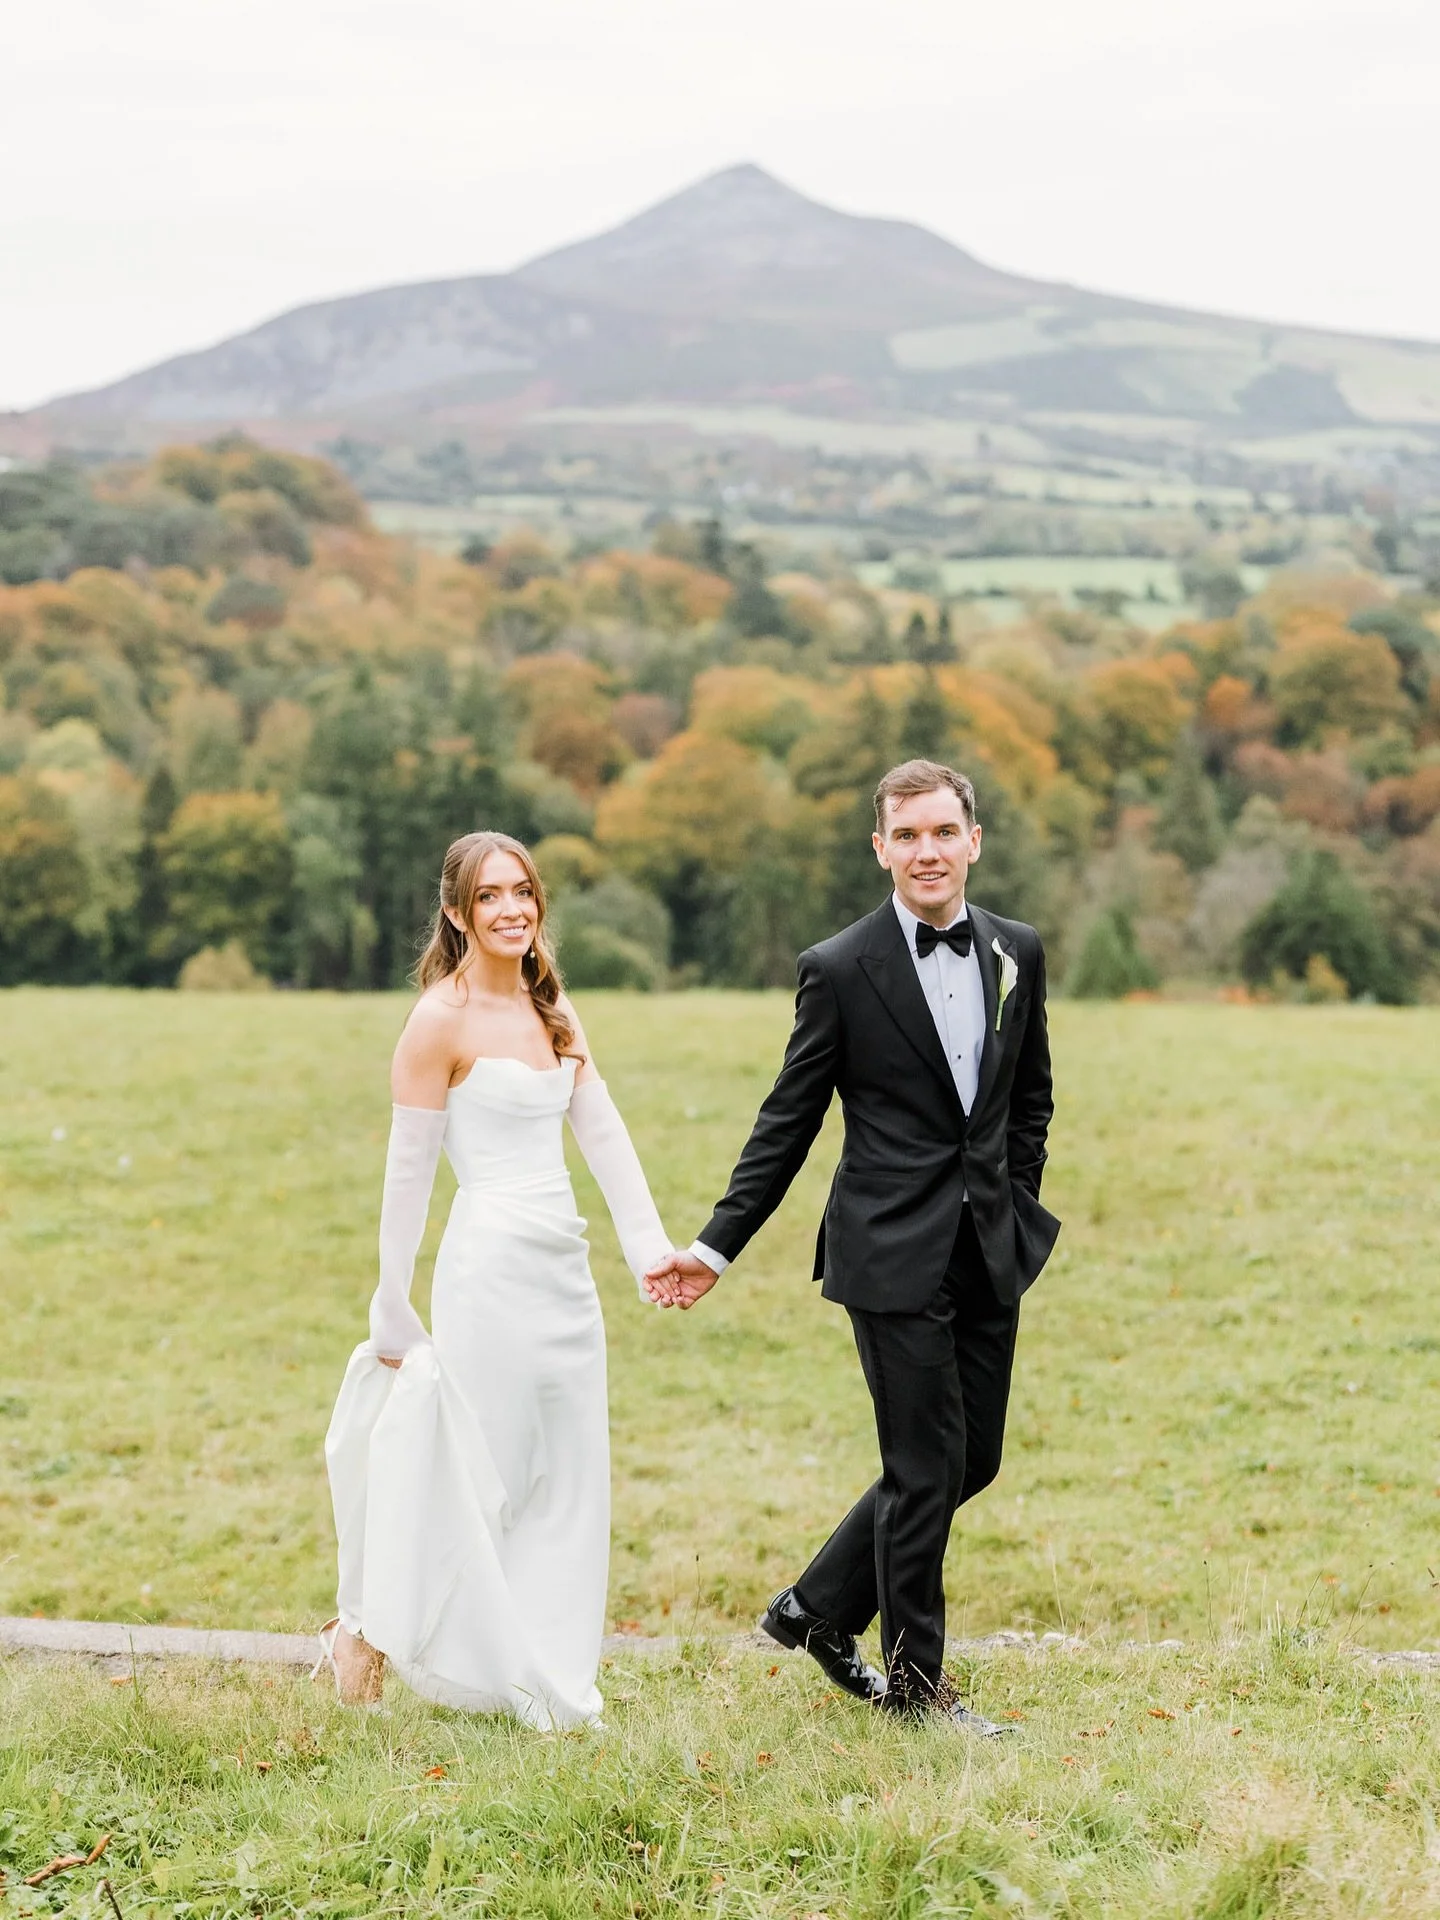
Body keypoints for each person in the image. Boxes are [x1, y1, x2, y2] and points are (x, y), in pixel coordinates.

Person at [647, 759, 1059, 1735]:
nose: (927, 851)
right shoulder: (839, 967)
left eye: (942, 832)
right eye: (906, 834)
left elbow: (1030, 1096)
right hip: (887, 1253)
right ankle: (916, 1691)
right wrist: (715, 1247)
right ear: (881, 847)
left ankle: (814, 1610)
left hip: (988, 1245)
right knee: (923, 1468)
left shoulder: (1016, 951)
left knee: (975, 1458)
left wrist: (1015, 1198)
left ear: (973, 840)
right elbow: (786, 1120)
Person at [316, 829, 678, 1726]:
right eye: (489, 896)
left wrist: (650, 1251)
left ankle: (544, 1675)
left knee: (569, 1471)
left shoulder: (553, 1005)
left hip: (566, 1269)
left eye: (522, 891)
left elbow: (601, 1129)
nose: (511, 908)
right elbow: (408, 1175)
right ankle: (368, 1631)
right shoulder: (437, 1020)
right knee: (484, 1473)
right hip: (486, 1270)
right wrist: (391, 1302)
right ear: (456, 913)